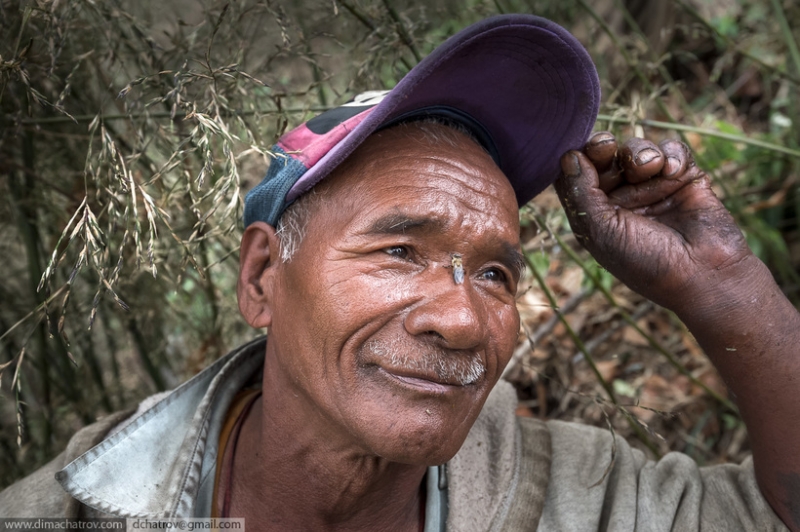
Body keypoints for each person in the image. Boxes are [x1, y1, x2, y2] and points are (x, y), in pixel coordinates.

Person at [2, 13, 799, 532]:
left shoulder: (578, 500)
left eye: (495, 273)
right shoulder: (68, 516)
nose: (461, 320)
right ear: (261, 280)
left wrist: (725, 281)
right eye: (398, 250)